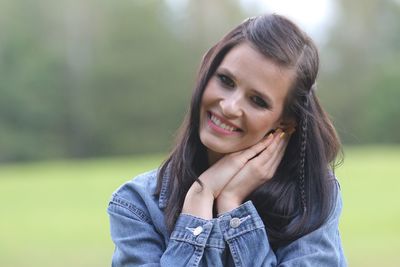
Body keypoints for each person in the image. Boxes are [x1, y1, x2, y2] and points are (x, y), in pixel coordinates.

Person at [107, 14, 346, 266]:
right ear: (205, 72)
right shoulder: (137, 205)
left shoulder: (311, 198)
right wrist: (200, 196)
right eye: (225, 80)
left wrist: (232, 206)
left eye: (257, 101)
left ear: (284, 123)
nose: (230, 107)